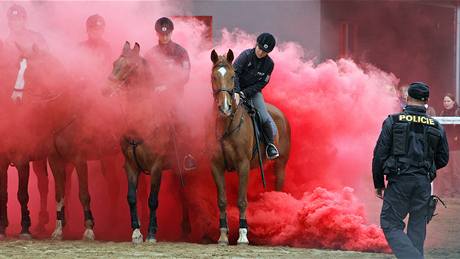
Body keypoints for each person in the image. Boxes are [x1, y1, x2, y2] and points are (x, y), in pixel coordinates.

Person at [372, 82, 449, 259]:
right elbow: (443, 159)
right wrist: (425, 168)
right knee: (417, 229)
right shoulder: (436, 126)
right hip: (423, 183)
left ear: (407, 98)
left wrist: (378, 182)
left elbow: (379, 155)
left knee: (390, 223)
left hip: (399, 181)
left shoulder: (393, 120)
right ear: (426, 101)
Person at [144, 17, 196, 171]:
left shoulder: (181, 52)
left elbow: (185, 76)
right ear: (157, 33)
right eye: (161, 34)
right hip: (154, 98)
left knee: (183, 121)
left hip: (175, 97)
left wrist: (166, 87)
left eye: (167, 34)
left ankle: (187, 155)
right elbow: (145, 76)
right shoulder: (150, 53)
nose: (164, 37)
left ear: (172, 33)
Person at [233, 32, 279, 159]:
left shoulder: (269, 64)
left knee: (264, 116)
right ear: (256, 45)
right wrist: (237, 91)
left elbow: (261, 83)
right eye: (259, 49)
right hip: (235, 91)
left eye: (264, 52)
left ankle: (270, 146)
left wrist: (244, 93)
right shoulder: (245, 56)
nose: (260, 53)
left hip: (253, 93)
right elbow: (234, 73)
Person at [437, 93, 460, 196]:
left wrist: (457, 138)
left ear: (453, 102)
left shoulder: (458, 112)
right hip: (445, 147)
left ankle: (457, 192)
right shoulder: (442, 113)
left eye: (448, 101)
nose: (446, 103)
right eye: (444, 101)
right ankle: (448, 191)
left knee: (456, 171)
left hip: (457, 147)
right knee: (445, 171)